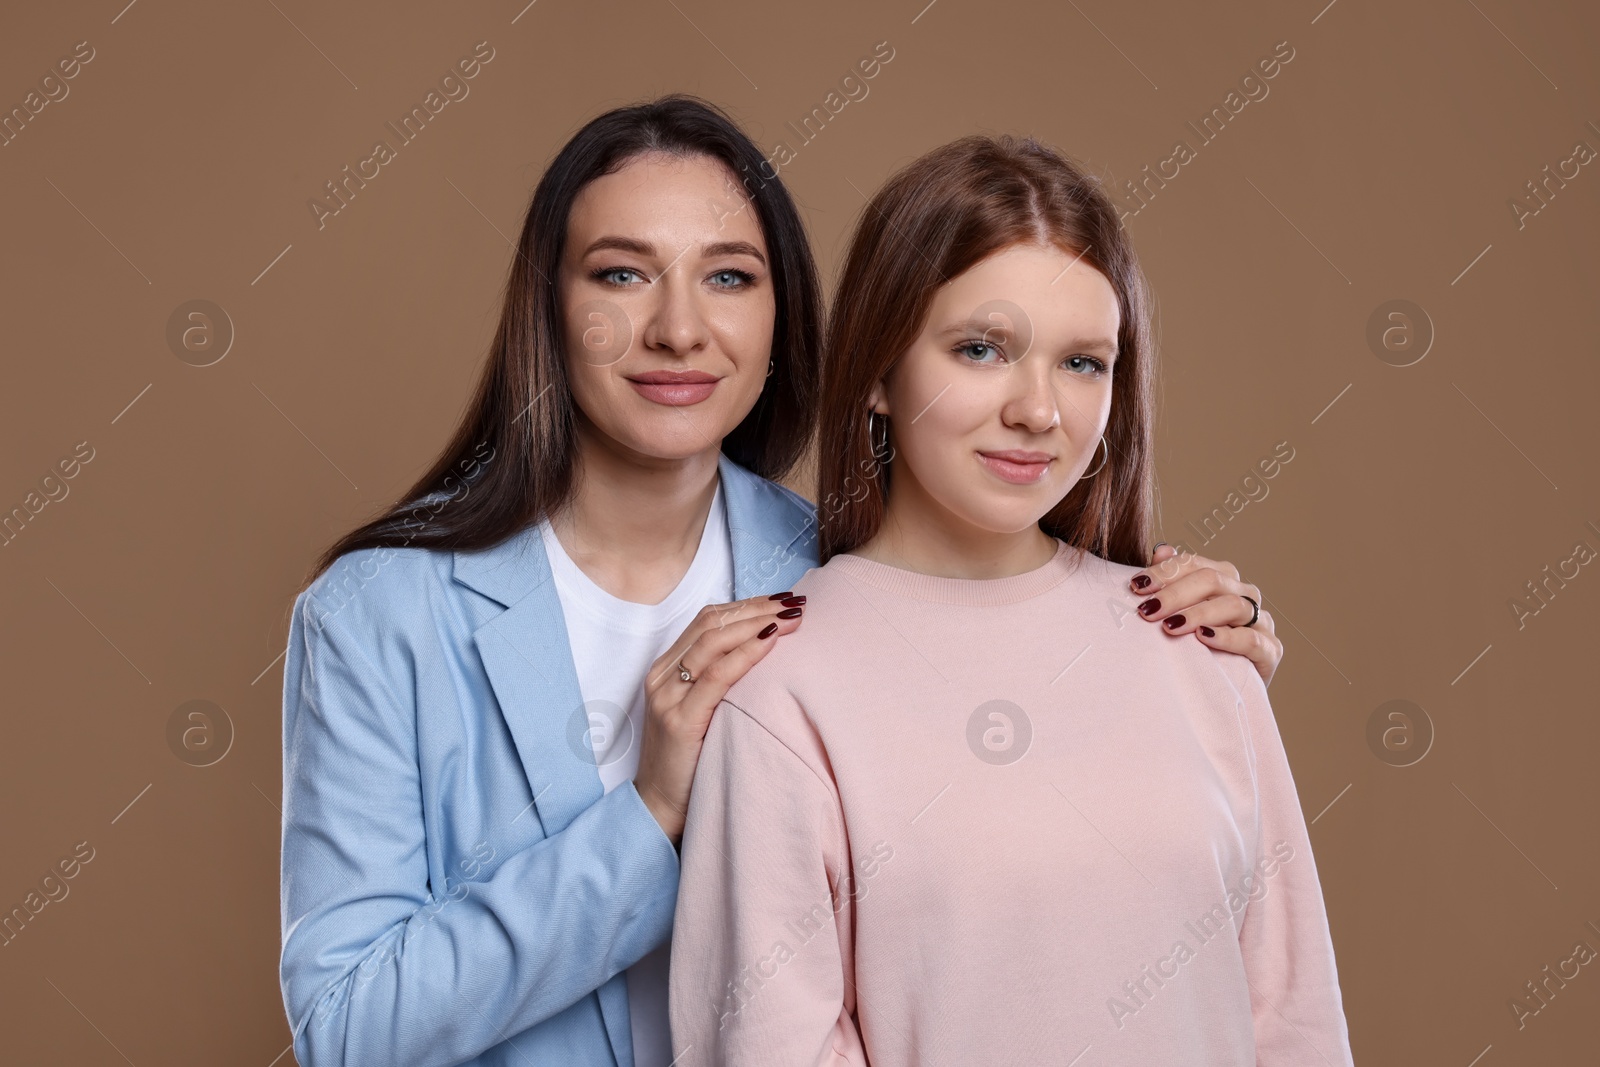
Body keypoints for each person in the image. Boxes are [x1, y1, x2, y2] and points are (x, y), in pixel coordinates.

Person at [277, 96, 1283, 1067]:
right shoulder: (377, 613)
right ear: (549, 309)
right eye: (622, 276)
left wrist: (1200, 679)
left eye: (728, 277)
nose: (679, 328)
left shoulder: (842, 580)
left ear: (783, 314)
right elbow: (347, 1024)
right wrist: (648, 811)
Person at [667, 134, 1352, 1066]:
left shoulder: (1197, 647)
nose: (1040, 410)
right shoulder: (783, 688)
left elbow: (1293, 1016)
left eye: (1084, 362)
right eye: (982, 348)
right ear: (876, 371)